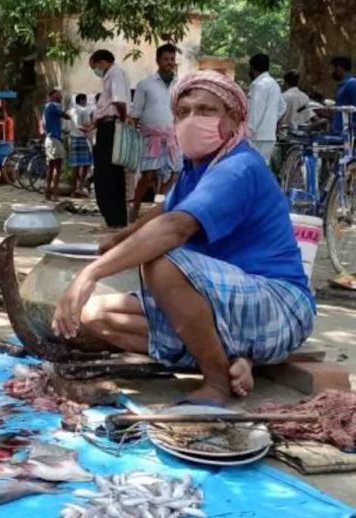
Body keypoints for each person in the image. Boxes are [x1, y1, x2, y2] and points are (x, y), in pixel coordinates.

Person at [51, 71, 314, 405]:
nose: (192, 120)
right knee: (94, 316)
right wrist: (116, 242)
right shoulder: (197, 167)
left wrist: (91, 272)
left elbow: (175, 227)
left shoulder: (239, 167)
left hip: (279, 305)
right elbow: (165, 210)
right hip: (225, 302)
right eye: (184, 112)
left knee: (162, 261)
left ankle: (217, 382)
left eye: (206, 110)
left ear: (233, 119)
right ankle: (234, 358)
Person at [129, 43, 183, 221]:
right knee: (149, 174)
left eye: (172, 59)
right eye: (166, 59)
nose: (169, 63)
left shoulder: (180, 85)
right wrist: (132, 138)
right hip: (150, 137)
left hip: (174, 136)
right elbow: (135, 113)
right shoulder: (145, 85)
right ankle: (135, 206)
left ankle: (159, 208)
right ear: (158, 60)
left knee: (175, 173)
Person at [90, 49, 132, 228]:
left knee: (107, 173)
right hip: (107, 125)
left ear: (101, 62)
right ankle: (114, 217)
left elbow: (118, 101)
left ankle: (115, 216)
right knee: (110, 173)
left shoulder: (114, 74)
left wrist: (122, 121)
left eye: (95, 66)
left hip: (111, 127)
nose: (96, 71)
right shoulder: (112, 76)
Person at [247, 53, 286, 163]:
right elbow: (283, 106)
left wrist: (248, 132)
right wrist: (271, 119)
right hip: (269, 135)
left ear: (253, 67)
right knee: (263, 166)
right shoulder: (274, 84)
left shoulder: (258, 85)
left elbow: (255, 111)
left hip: (256, 136)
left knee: (253, 166)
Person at [42, 89, 71, 202]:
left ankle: (47, 192)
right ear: (52, 96)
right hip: (54, 139)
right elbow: (66, 116)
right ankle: (54, 194)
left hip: (49, 138)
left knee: (50, 167)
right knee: (57, 168)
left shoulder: (47, 107)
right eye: (58, 94)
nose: (60, 96)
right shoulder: (53, 106)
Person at [67, 94, 94, 196]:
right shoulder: (84, 111)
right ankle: (81, 186)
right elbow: (87, 126)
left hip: (72, 139)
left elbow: (66, 127)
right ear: (83, 100)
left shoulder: (70, 111)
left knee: (75, 165)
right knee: (87, 164)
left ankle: (74, 188)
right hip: (82, 139)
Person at [329, 56, 356, 136]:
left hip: (348, 136)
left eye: (332, 69)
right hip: (339, 134)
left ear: (339, 68)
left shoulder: (352, 84)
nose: (330, 72)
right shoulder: (342, 86)